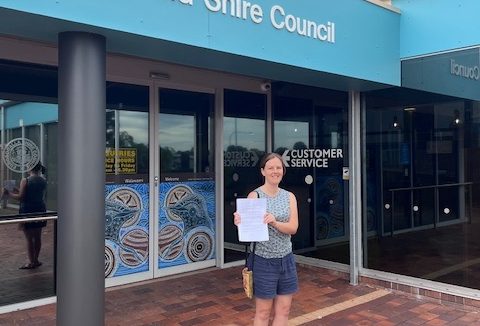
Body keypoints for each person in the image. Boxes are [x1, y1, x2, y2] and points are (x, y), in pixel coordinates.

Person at [233, 153, 299, 326]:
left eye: (278, 168)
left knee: (284, 311)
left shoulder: (289, 196)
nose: (275, 171)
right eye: (270, 168)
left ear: (283, 171)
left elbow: (293, 228)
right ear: (263, 171)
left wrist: (275, 222)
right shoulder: (255, 196)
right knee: (263, 313)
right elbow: (248, 232)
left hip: (286, 260)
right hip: (263, 261)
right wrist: (240, 222)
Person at [6, 162, 47, 269]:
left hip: (28, 210)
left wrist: (9, 193)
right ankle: (36, 260)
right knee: (37, 237)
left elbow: (21, 197)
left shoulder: (26, 180)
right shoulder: (43, 180)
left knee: (29, 238)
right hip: (40, 209)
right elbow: (30, 193)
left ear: (30, 167)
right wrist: (16, 189)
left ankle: (30, 262)